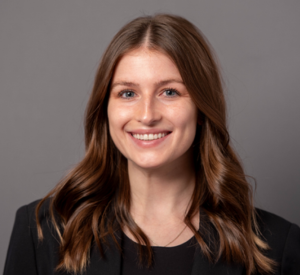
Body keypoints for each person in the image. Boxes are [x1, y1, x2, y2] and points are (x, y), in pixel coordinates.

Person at [4, 14, 300, 275]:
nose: (147, 115)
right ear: (104, 108)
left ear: (201, 109)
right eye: (128, 93)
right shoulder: (41, 232)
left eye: (170, 92)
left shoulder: (278, 246)